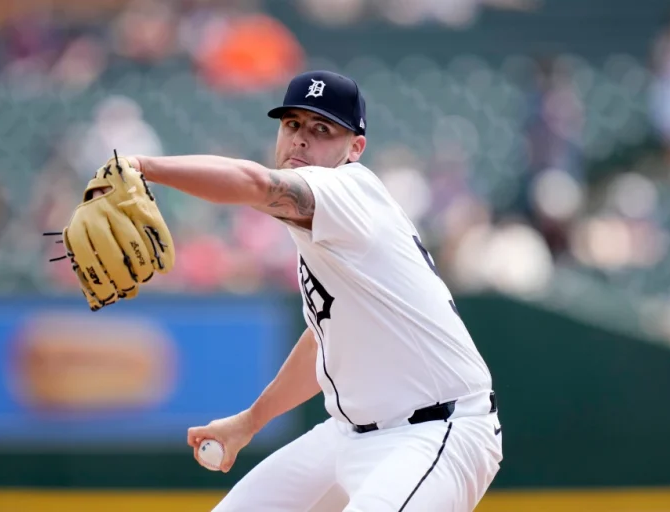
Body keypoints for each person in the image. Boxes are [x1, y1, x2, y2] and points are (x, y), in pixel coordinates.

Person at [128, 70, 502, 511]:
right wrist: (250, 422)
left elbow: (254, 183)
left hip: (434, 433)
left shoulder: (349, 189)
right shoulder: (325, 228)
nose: (301, 139)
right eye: (292, 124)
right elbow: (323, 339)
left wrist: (142, 167)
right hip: (347, 434)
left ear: (355, 148)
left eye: (321, 128)